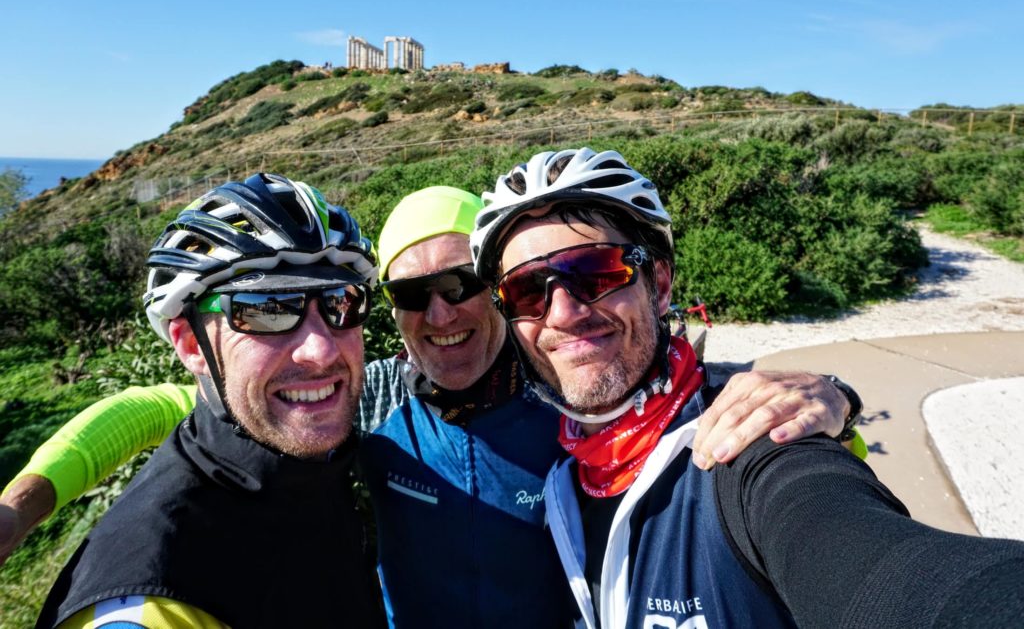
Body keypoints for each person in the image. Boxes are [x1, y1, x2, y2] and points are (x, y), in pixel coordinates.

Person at [5, 185, 857, 628]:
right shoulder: (364, 397)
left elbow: (685, 389)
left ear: (502, 293)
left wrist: (831, 395)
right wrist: (18, 508)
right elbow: (160, 405)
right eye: (413, 294)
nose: (442, 314)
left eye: (462, 285)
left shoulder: (568, 391)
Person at [469, 148, 1024, 629]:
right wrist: (841, 393)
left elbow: (891, 572)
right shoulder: (564, 479)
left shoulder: (749, 444)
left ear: (659, 284)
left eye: (595, 271)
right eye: (526, 291)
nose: (563, 312)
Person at [36, 173, 385, 628]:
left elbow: (159, 406)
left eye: (341, 301)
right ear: (192, 346)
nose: (321, 349)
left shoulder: (292, 454)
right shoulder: (152, 600)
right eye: (267, 308)